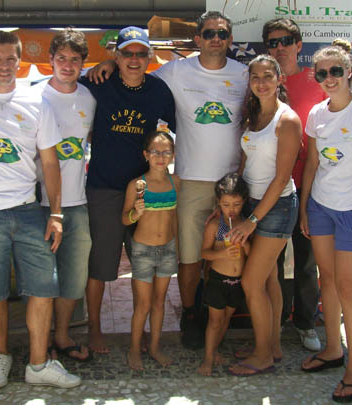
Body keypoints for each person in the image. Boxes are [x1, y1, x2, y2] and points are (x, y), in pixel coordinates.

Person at [87, 11, 249, 349]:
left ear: (230, 40)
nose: (215, 39)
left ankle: (195, 321)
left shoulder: (242, 75)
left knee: (163, 260)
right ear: (197, 39)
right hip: (139, 184)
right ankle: (104, 329)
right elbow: (73, 85)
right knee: (122, 264)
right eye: (208, 33)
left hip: (207, 184)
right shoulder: (168, 72)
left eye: (221, 33)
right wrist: (106, 61)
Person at [0, 30, 80, 389]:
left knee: (44, 286)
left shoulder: (36, 102)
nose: (4, 65)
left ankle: (38, 365)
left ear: (20, 61)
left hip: (28, 209)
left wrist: (55, 213)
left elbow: (51, 163)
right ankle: (2, 354)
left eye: (11, 58)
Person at [79, 26, 176, 354]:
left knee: (144, 265)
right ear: (116, 56)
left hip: (143, 189)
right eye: (127, 53)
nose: (134, 59)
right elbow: (60, 84)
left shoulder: (159, 90)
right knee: (100, 266)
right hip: (104, 189)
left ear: (149, 57)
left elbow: (176, 128)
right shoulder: (98, 83)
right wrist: (94, 67)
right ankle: (94, 330)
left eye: (140, 53)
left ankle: (145, 331)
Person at [298, 39, 352, 403]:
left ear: (349, 72)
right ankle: (333, 349)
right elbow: (313, 166)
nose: (330, 78)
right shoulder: (317, 114)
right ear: (316, 76)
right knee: (327, 279)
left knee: (349, 287)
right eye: (323, 73)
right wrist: (304, 208)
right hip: (320, 206)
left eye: (337, 71)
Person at [227, 54, 301, 376]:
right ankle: (272, 344)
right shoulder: (253, 116)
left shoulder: (288, 121)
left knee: (251, 282)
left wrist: (252, 220)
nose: (261, 82)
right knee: (270, 278)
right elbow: (245, 165)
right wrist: (234, 208)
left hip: (277, 208)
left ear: (279, 79)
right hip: (253, 203)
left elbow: (282, 178)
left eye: (268, 76)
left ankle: (263, 355)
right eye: (255, 76)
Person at [262, 18, 327, 352]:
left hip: (309, 187)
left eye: (286, 40)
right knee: (269, 263)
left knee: (305, 263)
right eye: (273, 42)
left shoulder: (319, 82)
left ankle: (304, 322)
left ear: (299, 45)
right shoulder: (260, 83)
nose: (280, 47)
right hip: (268, 189)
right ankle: (270, 325)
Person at [35, 29, 95, 362]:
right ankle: (40, 339)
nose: (68, 65)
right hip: (37, 204)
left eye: (75, 59)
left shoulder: (89, 98)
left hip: (78, 202)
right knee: (41, 278)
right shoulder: (33, 95)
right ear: (51, 60)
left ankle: (61, 335)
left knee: (74, 277)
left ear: (83, 63)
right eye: (62, 58)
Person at [121, 130, 180, 370]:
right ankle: (134, 349)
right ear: (146, 154)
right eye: (155, 152)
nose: (160, 157)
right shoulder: (137, 185)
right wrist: (136, 212)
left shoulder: (175, 182)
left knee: (159, 302)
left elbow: (175, 217)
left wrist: (178, 246)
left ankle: (154, 347)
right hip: (143, 251)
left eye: (166, 152)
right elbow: (125, 219)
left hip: (167, 249)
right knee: (142, 305)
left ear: (173, 156)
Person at [197, 173, 250, 376]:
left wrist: (244, 244)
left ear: (243, 202)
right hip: (218, 280)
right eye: (226, 204)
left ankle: (215, 349)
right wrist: (222, 253)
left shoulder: (244, 224)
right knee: (214, 321)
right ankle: (208, 359)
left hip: (237, 282)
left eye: (236, 204)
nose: (232, 209)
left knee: (227, 318)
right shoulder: (215, 226)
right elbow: (204, 253)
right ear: (218, 203)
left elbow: (252, 254)